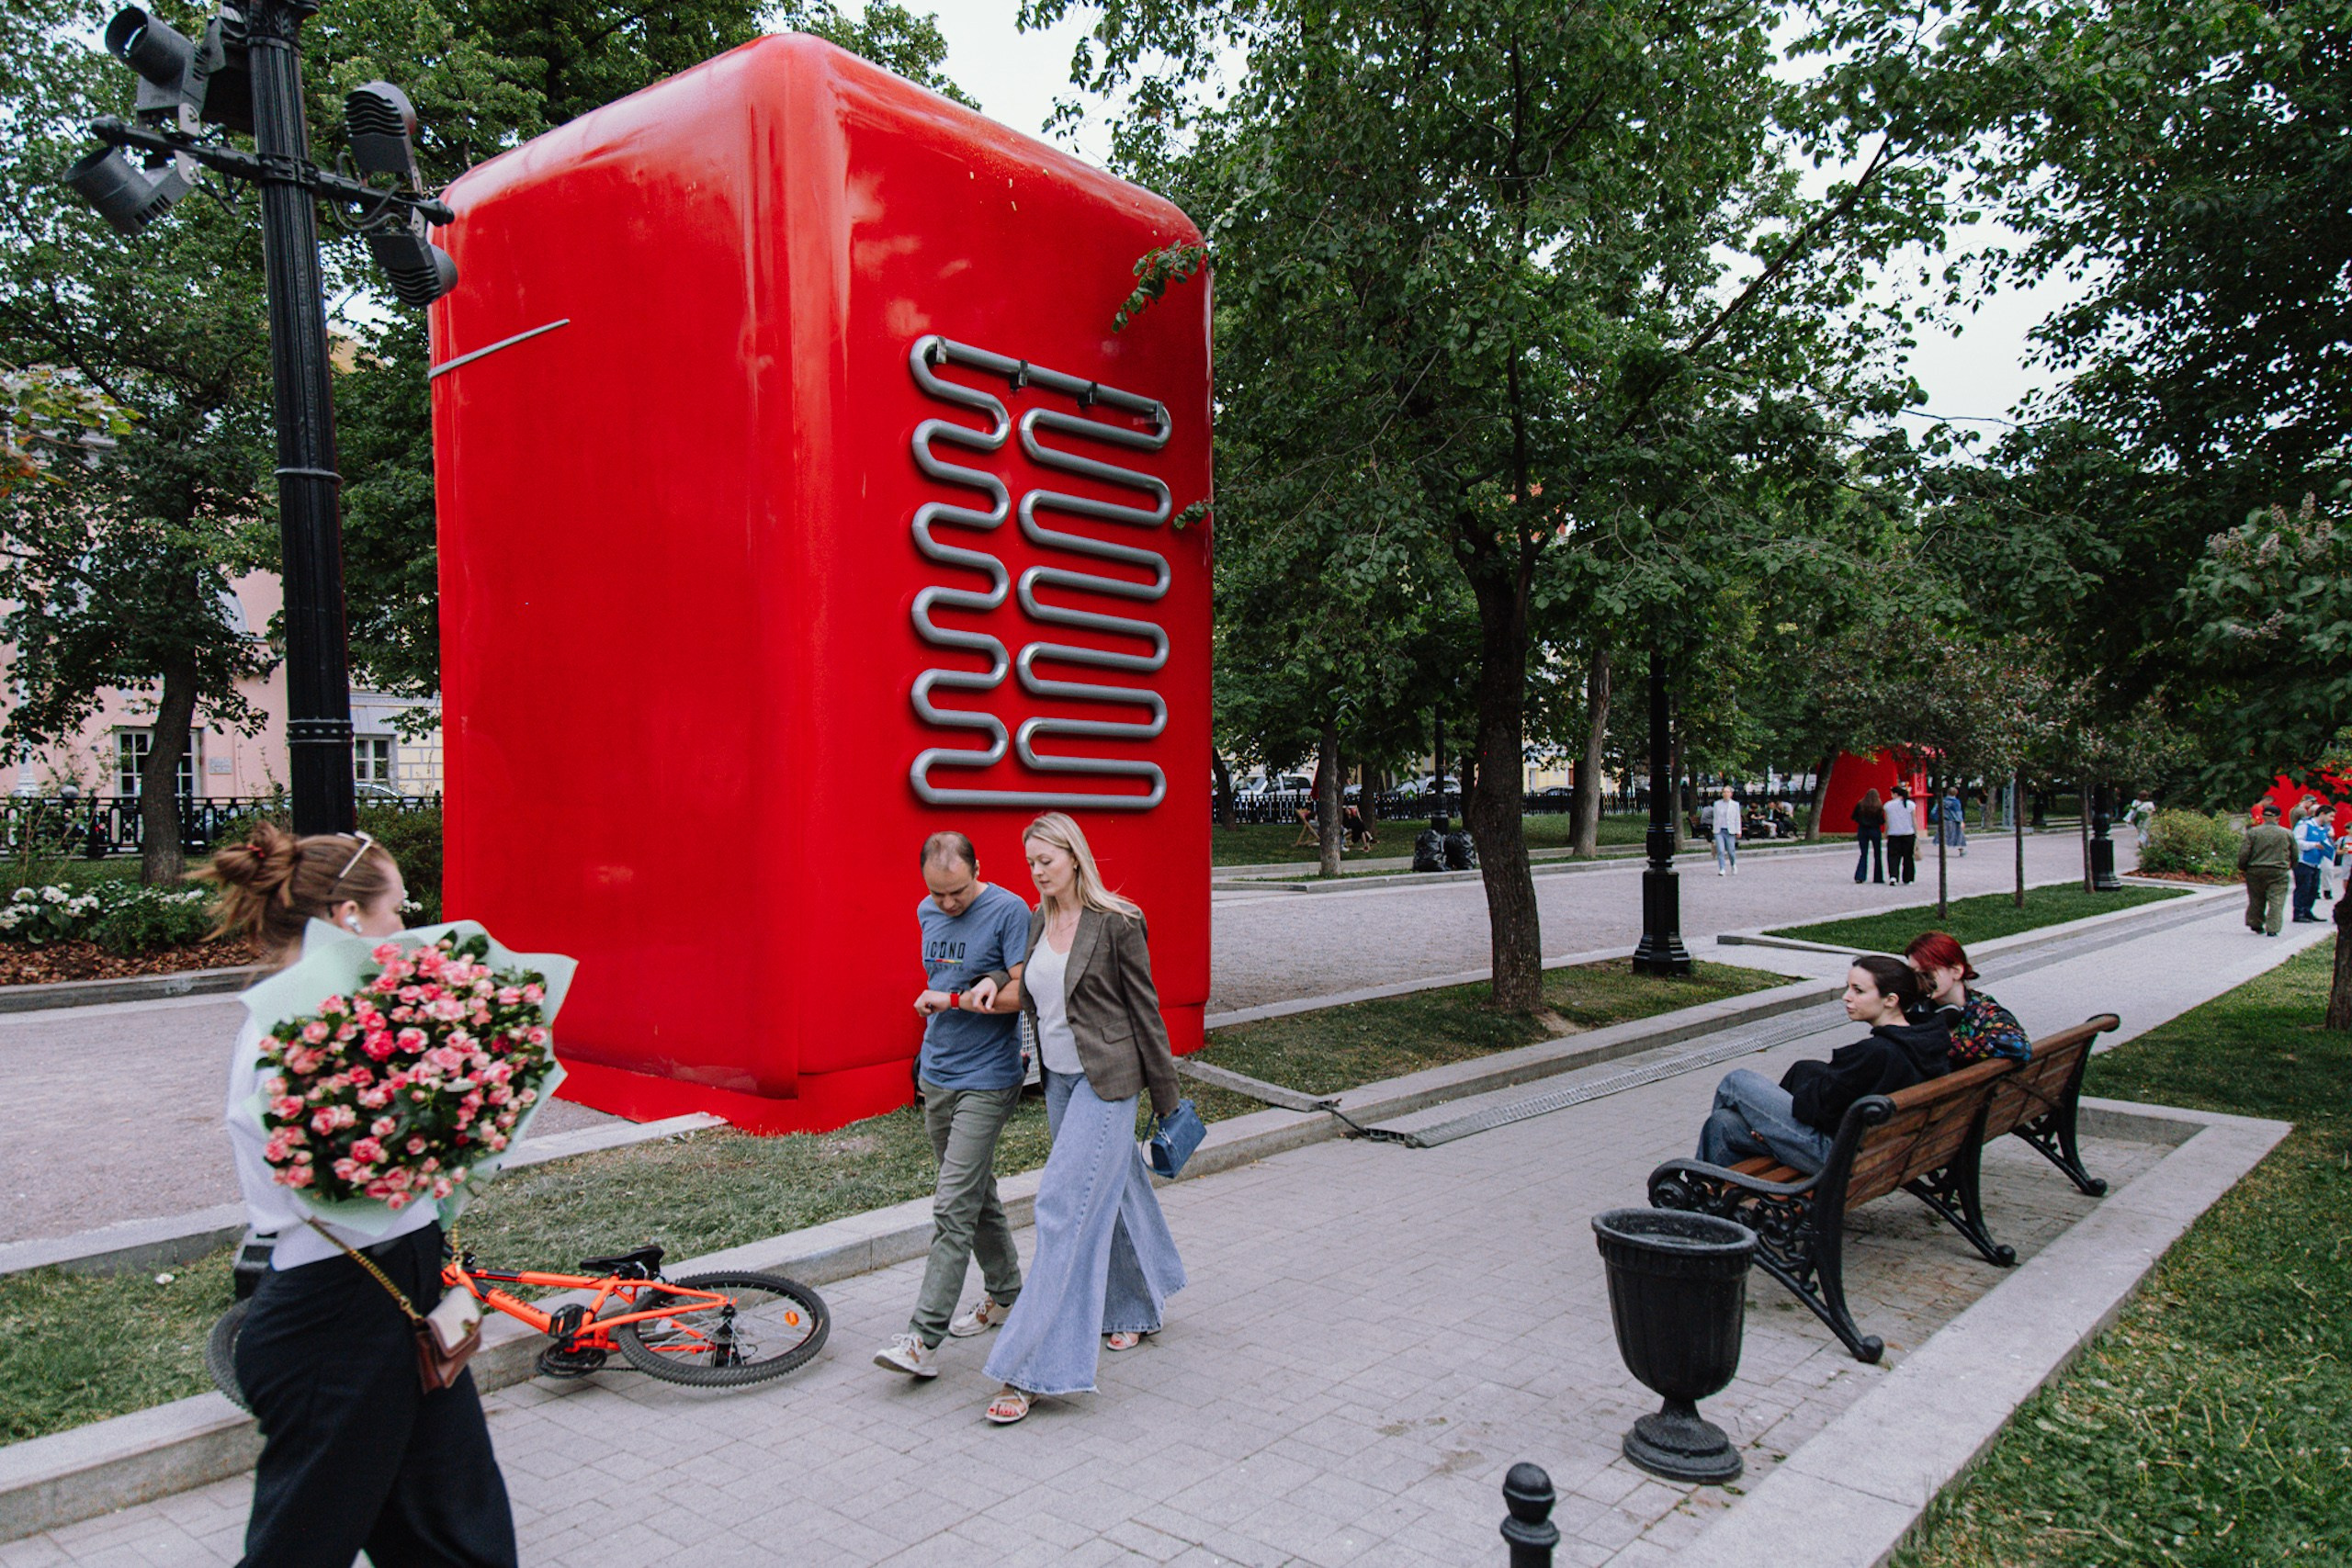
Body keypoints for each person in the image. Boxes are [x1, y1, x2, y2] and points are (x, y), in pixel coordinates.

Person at [204, 825, 517, 1568]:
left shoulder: (361, 1016)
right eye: (397, 910)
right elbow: (335, 1183)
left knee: (459, 1533)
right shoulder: (292, 1031)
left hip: (399, 1289)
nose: (405, 927)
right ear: (348, 915)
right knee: (300, 1547)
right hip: (332, 1320)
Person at [982, 812, 1186, 1426]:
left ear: (1074, 856)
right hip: (1061, 1082)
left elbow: (1145, 1014)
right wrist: (987, 986)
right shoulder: (1041, 919)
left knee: (1063, 1209)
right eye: (1030, 863)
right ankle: (1132, 1308)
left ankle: (1036, 1365)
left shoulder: (1118, 922)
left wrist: (1168, 1102)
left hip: (1110, 1083)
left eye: (1046, 860)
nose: (1038, 872)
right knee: (1113, 1194)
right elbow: (1034, 987)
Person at [874, 831, 1033, 1380]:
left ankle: (922, 1338)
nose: (947, 904)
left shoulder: (1009, 910)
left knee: (950, 1206)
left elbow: (1022, 992)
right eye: (937, 894)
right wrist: (946, 994)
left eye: (957, 893)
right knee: (973, 1192)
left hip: (988, 1077)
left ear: (977, 870)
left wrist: (958, 998)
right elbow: (946, 975)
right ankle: (1009, 1293)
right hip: (937, 1072)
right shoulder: (926, 910)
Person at [1694, 956, 1951, 1173]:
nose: (1846, 997)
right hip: (1883, 1154)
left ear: (1890, 1000)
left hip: (1837, 1158)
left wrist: (1768, 1123)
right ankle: (1721, 1205)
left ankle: (1697, 1201)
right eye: (1848, 987)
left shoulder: (1877, 1053)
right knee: (1722, 1123)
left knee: (1736, 1081)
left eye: (1858, 991)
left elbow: (1813, 1110)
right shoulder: (1925, 1038)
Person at [1902, 931, 2030, 1064]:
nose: (1919, 981)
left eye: (1927, 973)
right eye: (1914, 974)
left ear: (1956, 971)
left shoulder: (1983, 1012)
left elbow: (2018, 1046)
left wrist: (1939, 1045)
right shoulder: (1916, 1008)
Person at [2238, 805, 2294, 937]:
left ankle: (2255, 923)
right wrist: (2291, 865)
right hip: (2278, 870)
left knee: (2256, 898)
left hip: (2256, 869)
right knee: (2277, 899)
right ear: (2279, 817)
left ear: (2263, 816)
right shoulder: (2286, 833)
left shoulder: (2253, 832)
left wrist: (2243, 866)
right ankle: (2273, 928)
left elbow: (2244, 852)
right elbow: (2294, 853)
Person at [2290, 799, 2335, 924]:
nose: (2332, 819)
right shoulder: (2305, 825)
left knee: (2313, 888)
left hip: (2317, 862)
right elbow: (2296, 842)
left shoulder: (2324, 829)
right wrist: (2314, 845)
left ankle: (2307, 911)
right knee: (2303, 887)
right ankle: (2298, 912)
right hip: (2303, 862)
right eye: (2331, 816)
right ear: (2322, 814)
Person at [1883, 784, 1919, 885]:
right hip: (1908, 833)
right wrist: (1917, 833)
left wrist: (1885, 833)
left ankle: (1893, 877)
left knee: (1893, 856)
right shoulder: (1910, 804)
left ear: (1895, 794)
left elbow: (1887, 821)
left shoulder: (1888, 805)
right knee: (1908, 857)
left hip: (1893, 834)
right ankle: (1908, 878)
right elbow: (1914, 820)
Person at [1851, 788, 1886, 885]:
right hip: (1875, 830)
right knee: (1877, 854)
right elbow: (1882, 821)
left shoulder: (1860, 804)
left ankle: (1860, 876)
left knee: (1863, 853)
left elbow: (1854, 817)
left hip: (1863, 830)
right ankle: (1878, 877)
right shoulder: (1879, 806)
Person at [1707, 787, 1743, 876]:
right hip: (1719, 830)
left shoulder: (1735, 805)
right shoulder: (1717, 804)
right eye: (1724, 792)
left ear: (1731, 794)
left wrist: (1738, 830)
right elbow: (1715, 818)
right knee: (1720, 850)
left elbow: (1737, 819)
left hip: (1730, 830)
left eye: (1727, 792)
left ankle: (1733, 864)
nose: (1726, 794)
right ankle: (1722, 868)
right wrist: (1714, 829)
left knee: (1731, 850)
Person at [1940, 788, 1969, 857]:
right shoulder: (1956, 802)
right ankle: (1961, 851)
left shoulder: (1943, 801)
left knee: (1944, 836)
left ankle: (1942, 851)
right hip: (1954, 822)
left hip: (1944, 821)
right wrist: (1961, 821)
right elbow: (1958, 813)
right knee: (1958, 836)